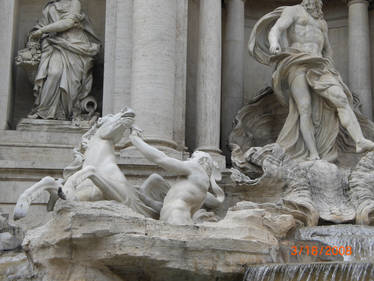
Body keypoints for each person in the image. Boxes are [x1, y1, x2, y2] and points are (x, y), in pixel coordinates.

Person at [249, 0, 374, 161]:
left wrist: (331, 68)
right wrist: (274, 42)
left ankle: (359, 140)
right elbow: (277, 28)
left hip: (319, 65)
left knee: (341, 99)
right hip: (297, 61)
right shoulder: (293, 10)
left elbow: (327, 49)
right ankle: (313, 153)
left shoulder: (322, 22)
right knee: (304, 108)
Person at [129, 128, 224, 225]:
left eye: (192, 157)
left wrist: (135, 140)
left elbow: (161, 159)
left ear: (202, 161)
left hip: (176, 217)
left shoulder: (196, 168)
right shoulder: (200, 190)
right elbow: (168, 205)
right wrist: (146, 200)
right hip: (180, 218)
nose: (188, 159)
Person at [27, 0, 100, 120]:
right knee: (53, 73)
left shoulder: (74, 2)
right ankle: (43, 111)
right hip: (54, 45)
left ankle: (65, 113)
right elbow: (39, 25)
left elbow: (68, 22)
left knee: (72, 82)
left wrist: (42, 31)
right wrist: (36, 34)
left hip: (74, 45)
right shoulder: (50, 7)